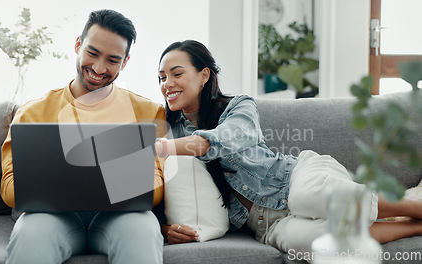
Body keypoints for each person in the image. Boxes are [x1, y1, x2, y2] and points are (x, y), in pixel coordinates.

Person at [153, 40, 422, 253]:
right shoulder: (166, 128)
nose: (167, 84)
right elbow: (156, 193)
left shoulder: (238, 107)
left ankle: (415, 208)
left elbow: (222, 139)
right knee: (314, 243)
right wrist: (166, 230)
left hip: (295, 179)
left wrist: (161, 147)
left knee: (308, 198)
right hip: (268, 224)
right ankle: (414, 227)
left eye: (176, 74)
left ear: (203, 75)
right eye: (162, 77)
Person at [0, 9, 166, 264]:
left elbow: (156, 186)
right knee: (30, 235)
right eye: (92, 53)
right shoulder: (32, 112)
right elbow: (10, 189)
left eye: (113, 60)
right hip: (51, 217)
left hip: (122, 217)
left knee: (142, 232)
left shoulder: (148, 112)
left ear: (125, 62)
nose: (99, 68)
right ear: (78, 44)